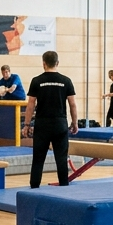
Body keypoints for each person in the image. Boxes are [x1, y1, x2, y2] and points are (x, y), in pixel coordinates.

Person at [24, 51, 78, 188]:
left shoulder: (37, 81)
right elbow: (72, 104)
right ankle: (64, 185)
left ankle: (34, 186)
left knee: (38, 158)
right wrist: (75, 122)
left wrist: (26, 124)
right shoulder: (66, 81)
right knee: (61, 158)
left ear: (43, 63)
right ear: (57, 63)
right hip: (60, 123)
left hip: (42, 123)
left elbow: (31, 104)